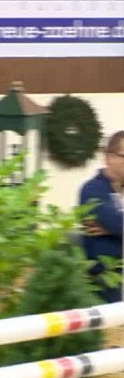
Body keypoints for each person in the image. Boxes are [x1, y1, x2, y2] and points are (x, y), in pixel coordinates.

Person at [78, 130, 124, 303]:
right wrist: (115, 227)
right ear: (108, 157)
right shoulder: (92, 190)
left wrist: (113, 228)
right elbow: (117, 223)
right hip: (106, 285)